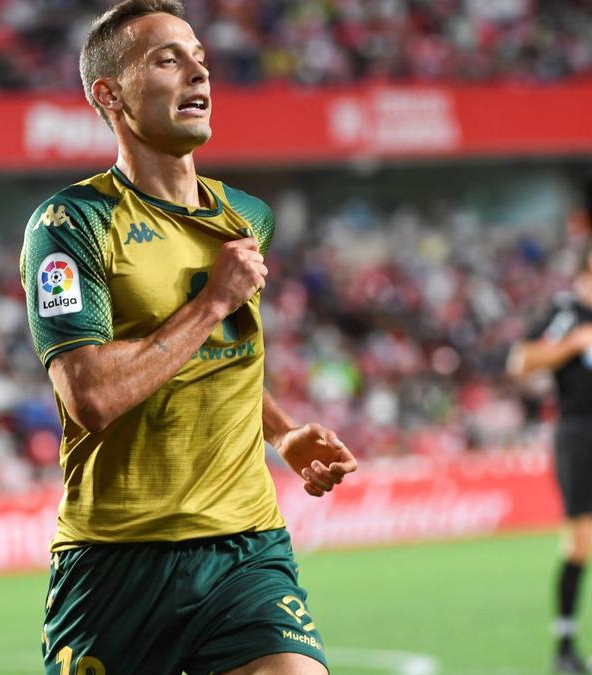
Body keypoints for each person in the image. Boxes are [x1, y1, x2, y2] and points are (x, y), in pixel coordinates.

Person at [19, 2, 357, 674]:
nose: (199, 68)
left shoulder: (246, 217)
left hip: (244, 547)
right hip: (114, 562)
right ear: (109, 95)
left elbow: (218, 355)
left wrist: (282, 430)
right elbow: (90, 393)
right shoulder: (69, 224)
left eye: (199, 55)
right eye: (167, 58)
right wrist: (213, 300)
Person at [509, 234, 592, 673]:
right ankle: (565, 645)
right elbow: (520, 361)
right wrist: (570, 345)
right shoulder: (565, 312)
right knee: (581, 540)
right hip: (578, 434)